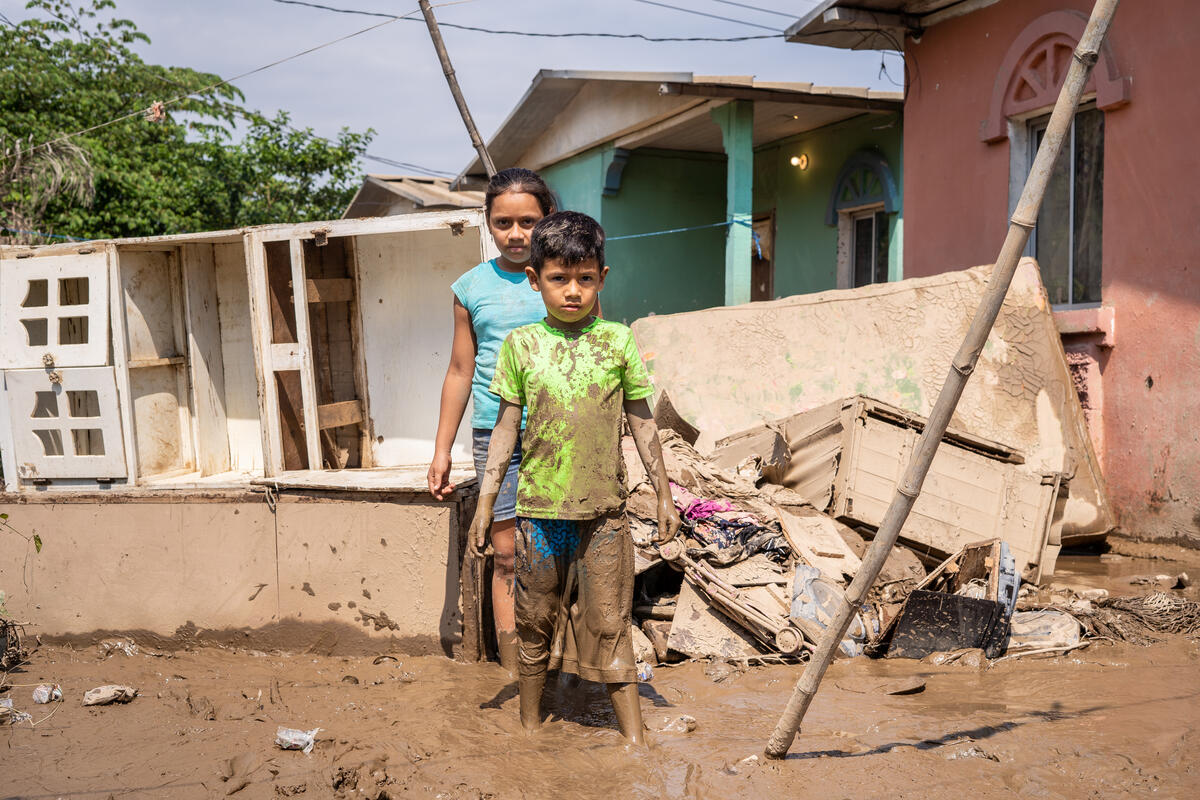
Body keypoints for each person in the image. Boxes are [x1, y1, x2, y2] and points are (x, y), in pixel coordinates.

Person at [468, 211, 680, 745]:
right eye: (559, 279)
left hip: (605, 515)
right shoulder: (521, 346)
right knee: (535, 620)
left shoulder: (617, 341)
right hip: (539, 515)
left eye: (585, 279)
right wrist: (483, 504)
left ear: (602, 279)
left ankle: (635, 739)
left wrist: (663, 496)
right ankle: (530, 731)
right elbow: (504, 431)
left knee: (610, 622)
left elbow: (642, 421)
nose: (572, 291)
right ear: (535, 279)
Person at [428, 167, 556, 674]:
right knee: (506, 555)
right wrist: (441, 450)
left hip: (556, 434)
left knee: (552, 556)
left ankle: (555, 663)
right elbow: (461, 370)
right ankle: (512, 670)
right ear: (488, 223)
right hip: (492, 434)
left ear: (547, 219)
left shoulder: (563, 276)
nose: (517, 234)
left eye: (528, 221)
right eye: (504, 222)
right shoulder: (470, 287)